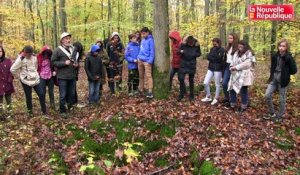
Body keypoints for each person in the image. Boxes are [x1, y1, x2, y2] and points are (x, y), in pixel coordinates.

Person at [263, 39, 297, 122]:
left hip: (283, 80)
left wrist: (287, 66)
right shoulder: (275, 55)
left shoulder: (289, 57)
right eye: (280, 46)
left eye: (283, 46)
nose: (281, 48)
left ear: (286, 47)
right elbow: (273, 67)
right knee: (267, 95)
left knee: (282, 99)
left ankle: (280, 116)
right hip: (274, 78)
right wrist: (271, 76)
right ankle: (272, 113)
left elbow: (294, 70)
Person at [10, 45, 46, 116]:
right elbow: (12, 69)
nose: (29, 55)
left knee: (41, 94)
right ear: (25, 52)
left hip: (35, 79)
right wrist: (20, 77)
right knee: (28, 97)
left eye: (31, 53)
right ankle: (30, 113)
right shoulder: (20, 59)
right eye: (28, 53)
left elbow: (36, 66)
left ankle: (44, 111)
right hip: (25, 81)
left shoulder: (34, 57)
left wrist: (35, 74)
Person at [51, 32, 78, 115]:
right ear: (62, 40)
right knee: (63, 95)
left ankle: (70, 108)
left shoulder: (73, 49)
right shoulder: (57, 50)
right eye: (66, 38)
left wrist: (76, 64)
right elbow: (53, 62)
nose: (68, 40)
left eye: (69, 38)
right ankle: (62, 111)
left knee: (72, 94)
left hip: (72, 76)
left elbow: (75, 61)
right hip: (62, 77)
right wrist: (64, 63)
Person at [227, 40, 256, 113]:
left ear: (245, 46)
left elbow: (247, 64)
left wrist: (236, 67)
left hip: (244, 75)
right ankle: (232, 104)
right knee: (232, 89)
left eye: (241, 45)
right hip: (235, 74)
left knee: (243, 90)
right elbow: (232, 61)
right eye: (239, 45)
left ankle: (244, 106)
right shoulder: (236, 53)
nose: (240, 47)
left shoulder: (249, 53)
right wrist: (232, 66)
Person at [201, 38, 225, 105]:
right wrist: (212, 57)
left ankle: (216, 98)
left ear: (218, 42)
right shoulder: (212, 49)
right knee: (205, 82)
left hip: (218, 69)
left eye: (215, 43)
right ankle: (208, 96)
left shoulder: (222, 49)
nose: (214, 44)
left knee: (217, 84)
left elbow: (219, 58)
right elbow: (208, 57)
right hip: (211, 68)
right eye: (213, 43)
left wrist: (212, 57)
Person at [177, 36, 201, 101]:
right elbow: (178, 51)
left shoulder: (196, 45)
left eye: (192, 43)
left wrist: (194, 54)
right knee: (181, 78)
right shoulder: (183, 44)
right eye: (189, 43)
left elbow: (199, 54)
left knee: (191, 80)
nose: (191, 44)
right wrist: (181, 51)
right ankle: (181, 94)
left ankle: (191, 95)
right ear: (187, 42)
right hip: (183, 64)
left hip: (192, 64)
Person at [137, 27, 155, 99]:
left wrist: (150, 61)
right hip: (140, 60)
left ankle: (150, 91)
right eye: (142, 34)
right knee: (141, 76)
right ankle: (141, 89)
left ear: (147, 32)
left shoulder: (151, 40)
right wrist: (138, 57)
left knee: (148, 76)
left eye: (144, 33)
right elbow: (141, 49)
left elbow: (152, 51)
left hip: (147, 61)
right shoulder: (143, 40)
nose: (143, 35)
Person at [222, 33, 239, 108]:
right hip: (227, 66)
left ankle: (233, 101)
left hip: (234, 67)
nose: (229, 39)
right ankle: (227, 98)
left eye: (231, 38)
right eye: (228, 38)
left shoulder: (238, 48)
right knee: (224, 83)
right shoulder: (228, 47)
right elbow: (225, 58)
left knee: (232, 85)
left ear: (234, 39)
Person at [0, 46, 15, 120]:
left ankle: (10, 114)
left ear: (2, 52)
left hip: (7, 83)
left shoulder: (8, 61)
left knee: (8, 100)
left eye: (0, 51)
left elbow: (11, 71)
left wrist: (9, 80)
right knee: (0, 101)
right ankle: (1, 116)